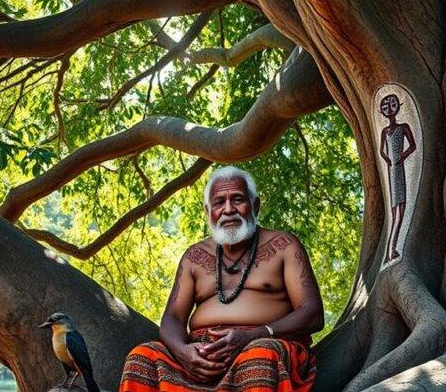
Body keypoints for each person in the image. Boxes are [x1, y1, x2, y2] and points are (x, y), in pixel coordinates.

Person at [119, 166, 324, 391]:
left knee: (258, 358)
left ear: (255, 205)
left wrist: (254, 335)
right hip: (199, 359)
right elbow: (173, 318)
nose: (228, 209)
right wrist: (182, 351)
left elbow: (312, 313)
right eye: (219, 202)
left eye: (237, 199)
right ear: (208, 211)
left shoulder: (284, 246)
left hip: (263, 347)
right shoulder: (194, 257)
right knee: (141, 358)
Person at [378, 94, 416, 263]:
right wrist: (388, 161)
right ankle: (390, 249)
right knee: (395, 210)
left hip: (399, 167)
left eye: (392, 105)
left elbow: (413, 145)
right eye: (386, 107)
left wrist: (401, 156)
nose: (390, 110)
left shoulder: (404, 126)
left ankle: (393, 247)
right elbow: (381, 151)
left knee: (401, 207)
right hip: (393, 169)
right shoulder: (385, 131)